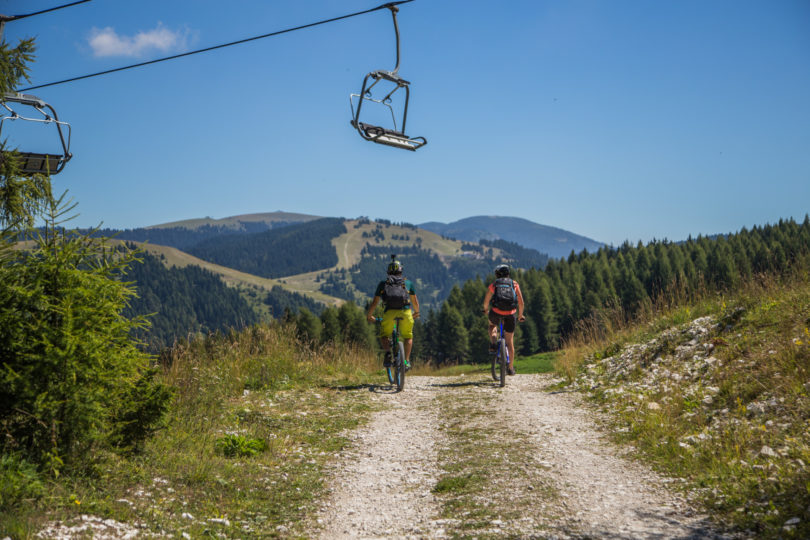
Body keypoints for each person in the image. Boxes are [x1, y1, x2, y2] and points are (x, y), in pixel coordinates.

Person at [366, 256, 420, 369]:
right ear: (401, 271)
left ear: (388, 272)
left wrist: (369, 315)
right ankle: (406, 362)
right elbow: (414, 301)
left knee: (384, 335)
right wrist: (416, 313)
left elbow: (375, 302)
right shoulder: (408, 283)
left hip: (389, 313)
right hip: (405, 312)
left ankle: (388, 353)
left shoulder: (383, 284)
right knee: (408, 337)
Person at [481, 264, 525, 375]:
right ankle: (510, 368)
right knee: (510, 342)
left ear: (497, 274)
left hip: (496, 312)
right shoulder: (514, 284)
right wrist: (520, 315)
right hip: (510, 314)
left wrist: (485, 310)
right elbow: (521, 302)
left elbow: (486, 300)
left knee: (492, 325)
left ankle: (493, 343)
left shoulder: (494, 284)